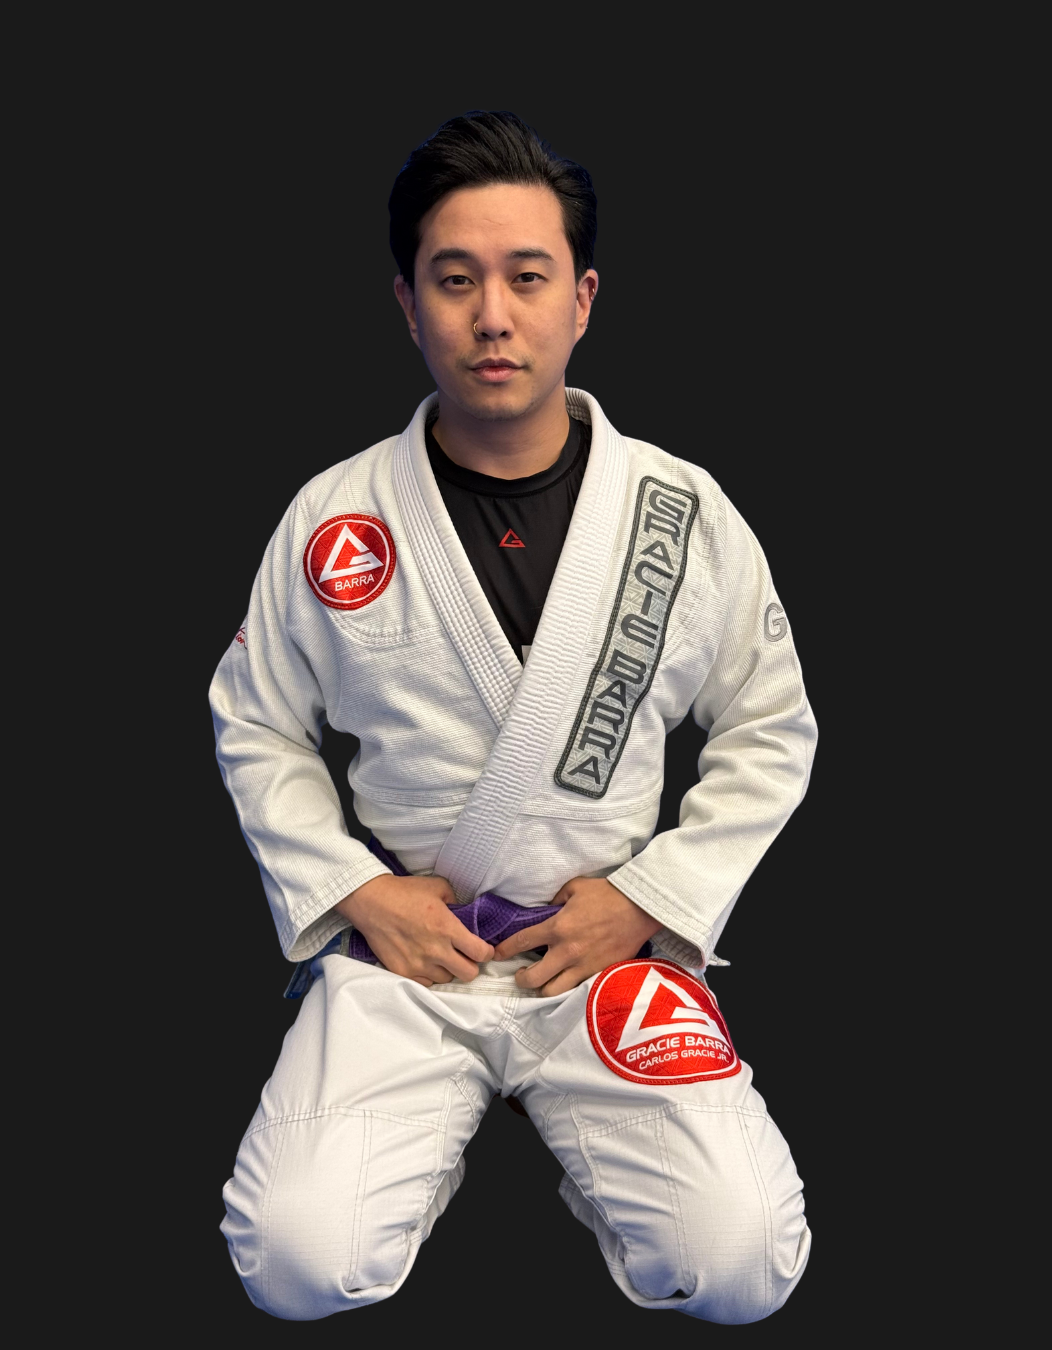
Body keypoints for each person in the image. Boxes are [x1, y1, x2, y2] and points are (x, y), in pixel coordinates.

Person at [210, 110, 817, 1324]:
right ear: (408, 303)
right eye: (456, 279)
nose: (493, 315)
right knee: (292, 1263)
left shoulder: (681, 512)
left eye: (528, 277)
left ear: (582, 299)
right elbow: (258, 721)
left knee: (744, 1266)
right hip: (407, 956)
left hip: (602, 957)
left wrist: (650, 900)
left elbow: (770, 724)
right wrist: (356, 893)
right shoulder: (337, 516)